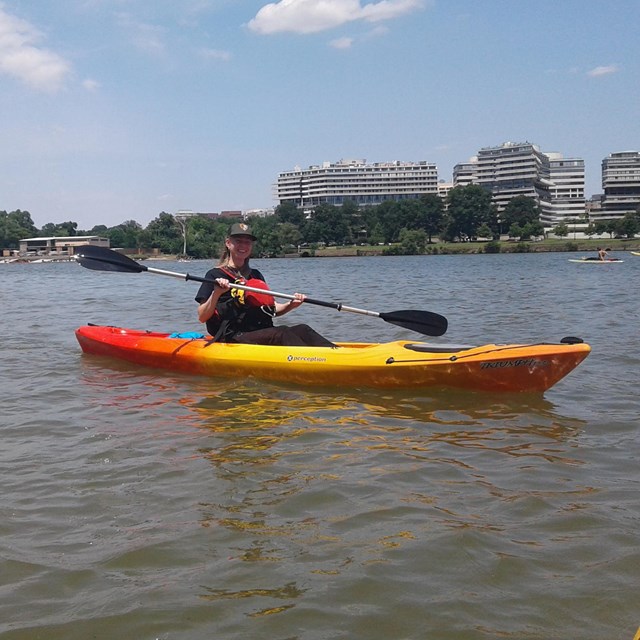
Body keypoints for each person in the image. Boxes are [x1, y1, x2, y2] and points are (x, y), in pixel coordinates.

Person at [195, 223, 335, 347]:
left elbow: (272, 309)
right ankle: (311, 363)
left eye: (247, 242)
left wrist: (290, 305)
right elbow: (202, 316)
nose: (243, 246)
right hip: (234, 336)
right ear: (228, 243)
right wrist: (217, 293)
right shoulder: (214, 275)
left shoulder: (256, 275)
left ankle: (336, 355)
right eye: (238, 241)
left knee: (303, 329)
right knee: (281, 333)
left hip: (261, 332)